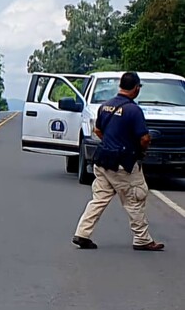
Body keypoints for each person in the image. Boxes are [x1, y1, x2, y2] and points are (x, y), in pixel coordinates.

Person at [72, 72, 164, 251]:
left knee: (99, 199)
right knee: (135, 198)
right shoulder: (133, 110)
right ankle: (142, 239)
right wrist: (141, 149)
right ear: (136, 88)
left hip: (102, 160)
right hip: (124, 164)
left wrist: (112, 141)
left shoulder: (105, 106)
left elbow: (98, 130)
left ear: (120, 86)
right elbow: (144, 138)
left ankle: (82, 233)